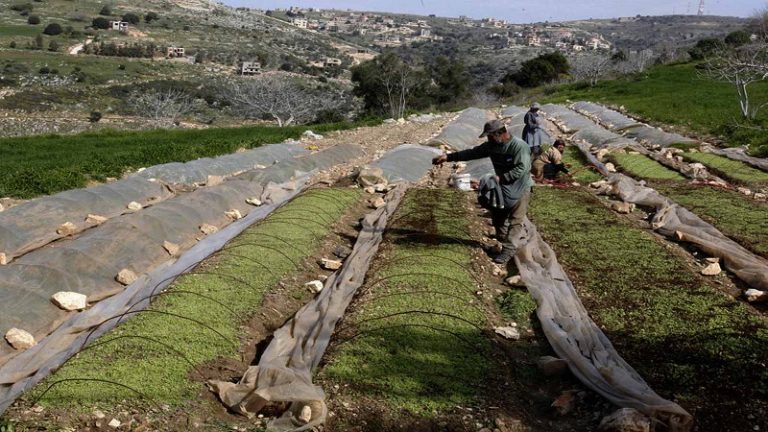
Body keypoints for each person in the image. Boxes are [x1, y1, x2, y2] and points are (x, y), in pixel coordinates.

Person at [432, 119, 533, 265]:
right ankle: (504, 243)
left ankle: (509, 249)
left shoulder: (518, 146)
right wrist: (448, 157)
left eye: (491, 136)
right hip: (503, 187)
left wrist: (500, 178)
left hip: (520, 187)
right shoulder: (492, 146)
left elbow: (522, 168)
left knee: (516, 220)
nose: (489, 139)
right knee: (498, 217)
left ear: (501, 133)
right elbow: (472, 153)